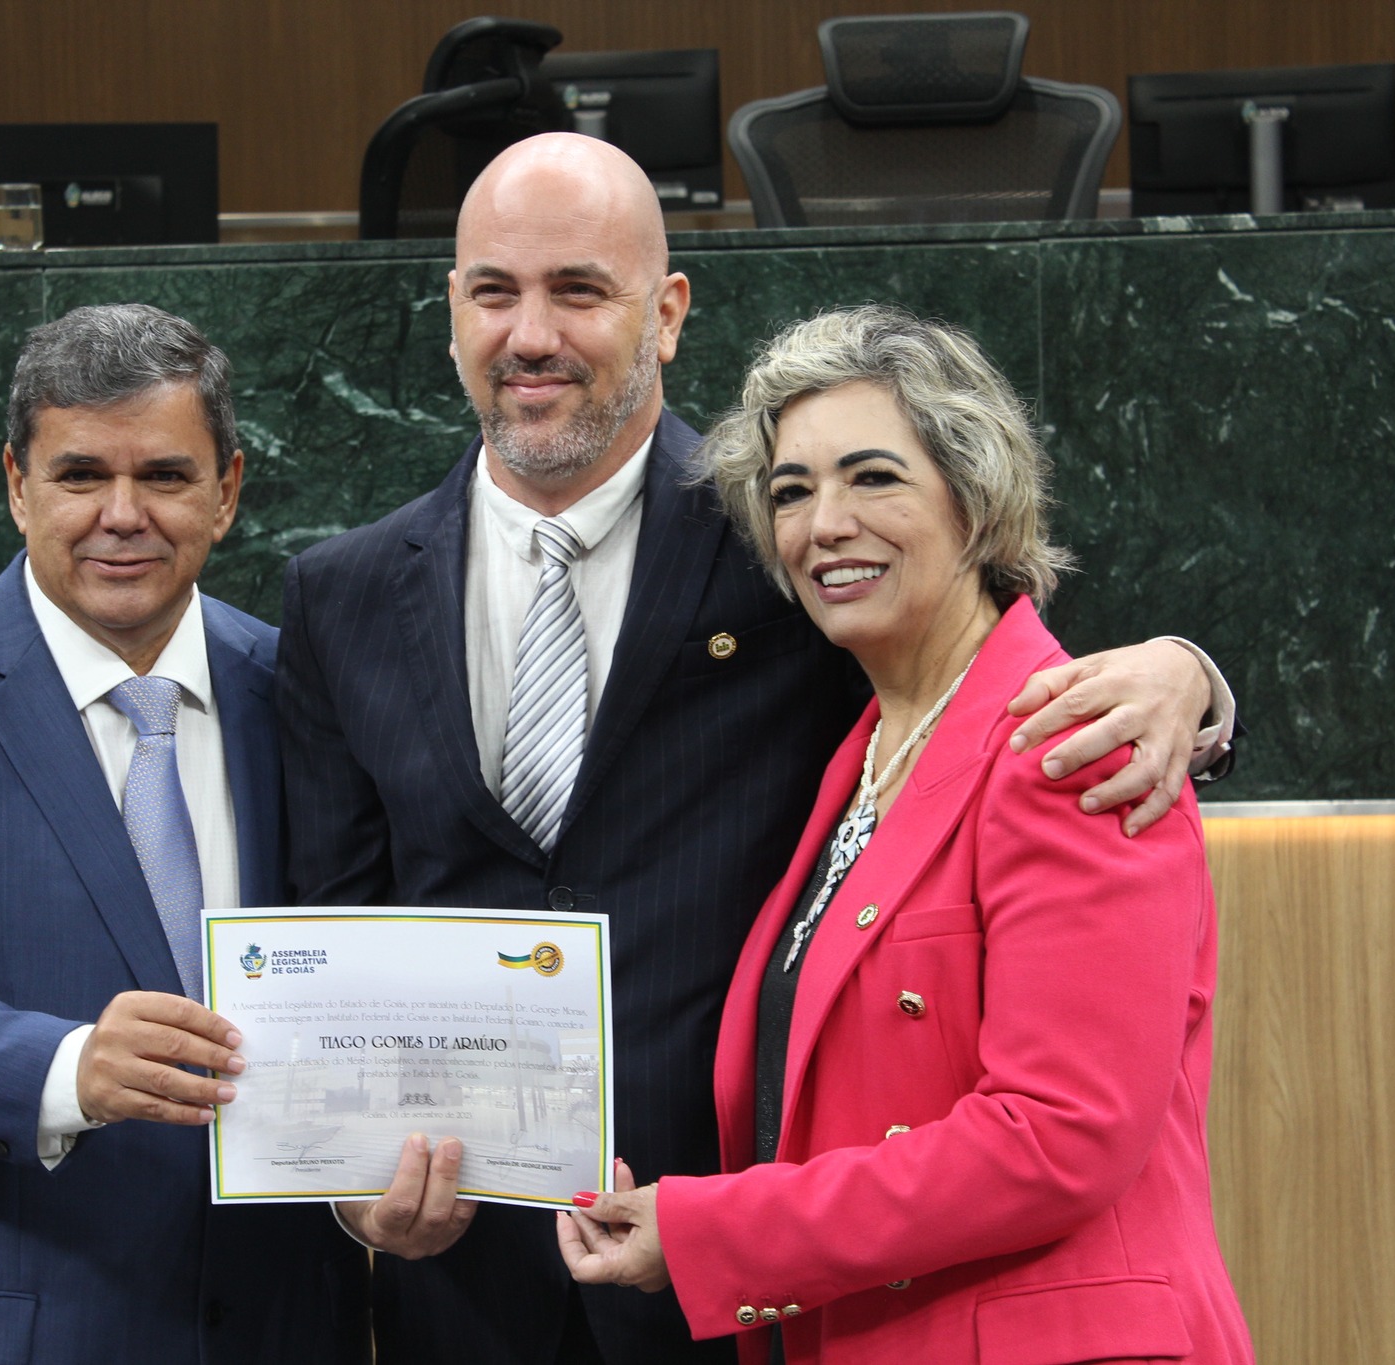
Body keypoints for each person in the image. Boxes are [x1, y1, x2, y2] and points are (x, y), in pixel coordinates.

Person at [277, 132, 1236, 1364]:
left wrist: (1190, 679)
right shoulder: (339, 592)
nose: (530, 335)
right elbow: (339, 929)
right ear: (450, 308)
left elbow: (1007, 666)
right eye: (492, 292)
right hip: (465, 1288)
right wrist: (353, 1179)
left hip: (741, 1288)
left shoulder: (784, 548)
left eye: (578, 290)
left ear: (667, 312)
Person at [558, 305, 1253, 1364]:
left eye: (872, 477)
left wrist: (713, 1232)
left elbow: (1055, 1140)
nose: (821, 524)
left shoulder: (1076, 741)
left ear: (975, 504)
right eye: (790, 493)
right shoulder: (857, 756)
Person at [0, 305, 369, 1364]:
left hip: (274, 1325)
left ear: (226, 491)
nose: (121, 515)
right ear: (15, 484)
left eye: (166, 476)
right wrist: (67, 1067)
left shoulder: (305, 690)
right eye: (81, 474)